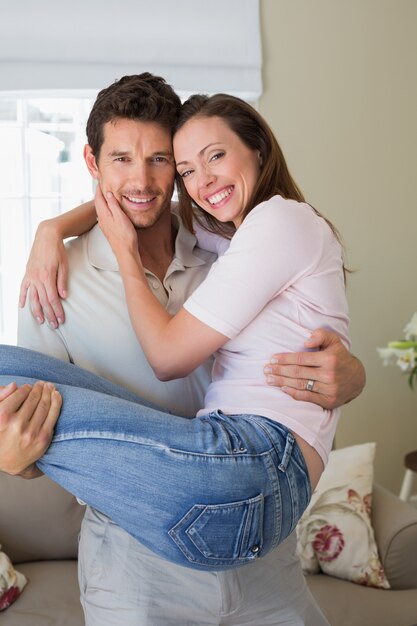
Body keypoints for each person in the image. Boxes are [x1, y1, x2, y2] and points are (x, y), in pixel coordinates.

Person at [0, 74, 364, 626]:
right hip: (134, 567)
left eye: (161, 160)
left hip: (260, 552)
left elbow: (307, 316)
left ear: (177, 166)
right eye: (121, 159)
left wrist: (353, 376)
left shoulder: (229, 244)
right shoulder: (52, 283)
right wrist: (14, 461)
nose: (142, 180)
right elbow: (43, 431)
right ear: (92, 164)